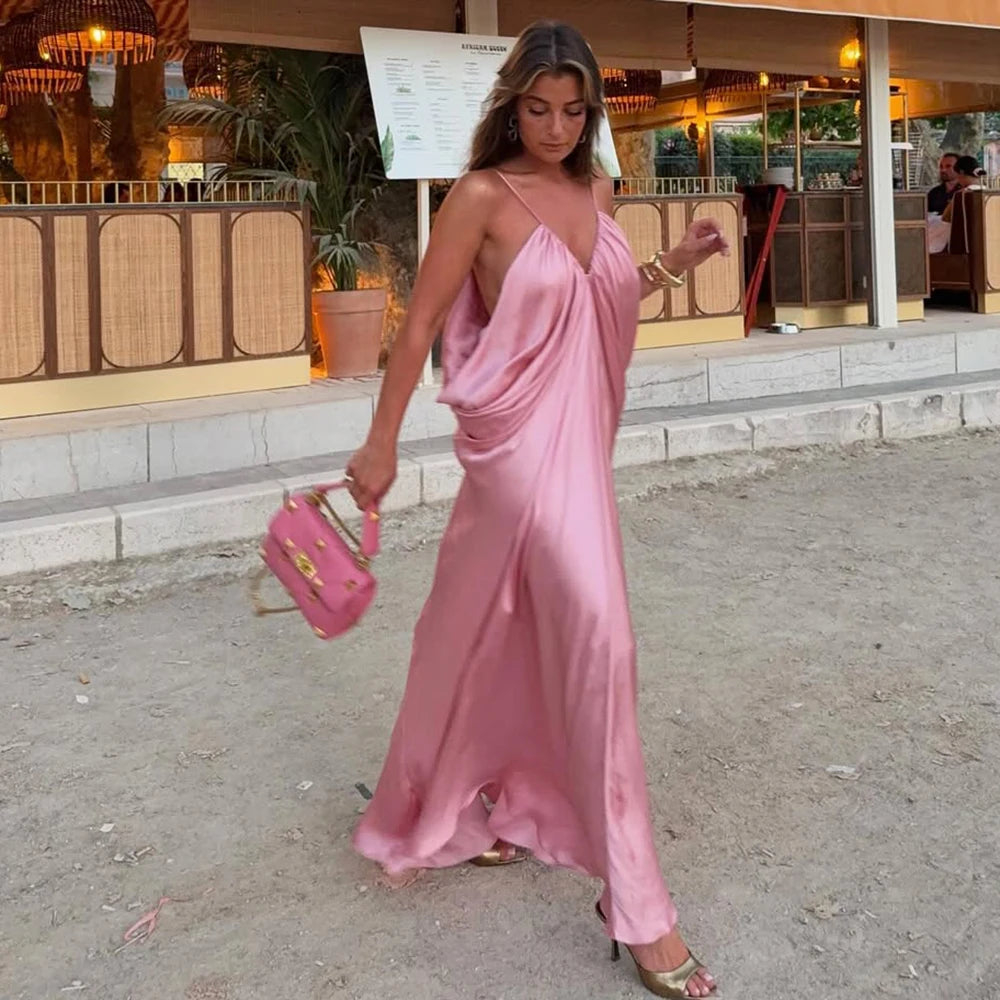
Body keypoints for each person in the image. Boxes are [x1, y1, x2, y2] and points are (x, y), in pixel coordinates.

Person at [345, 20, 728, 998]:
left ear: (590, 113)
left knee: (490, 631)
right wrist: (380, 441)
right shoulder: (480, 196)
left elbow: (599, 301)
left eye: (573, 110)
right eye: (536, 107)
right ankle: (636, 903)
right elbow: (422, 322)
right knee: (602, 637)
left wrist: (675, 261)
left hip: (579, 448)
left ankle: (487, 798)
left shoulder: (596, 191)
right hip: (514, 455)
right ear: (510, 105)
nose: (555, 126)